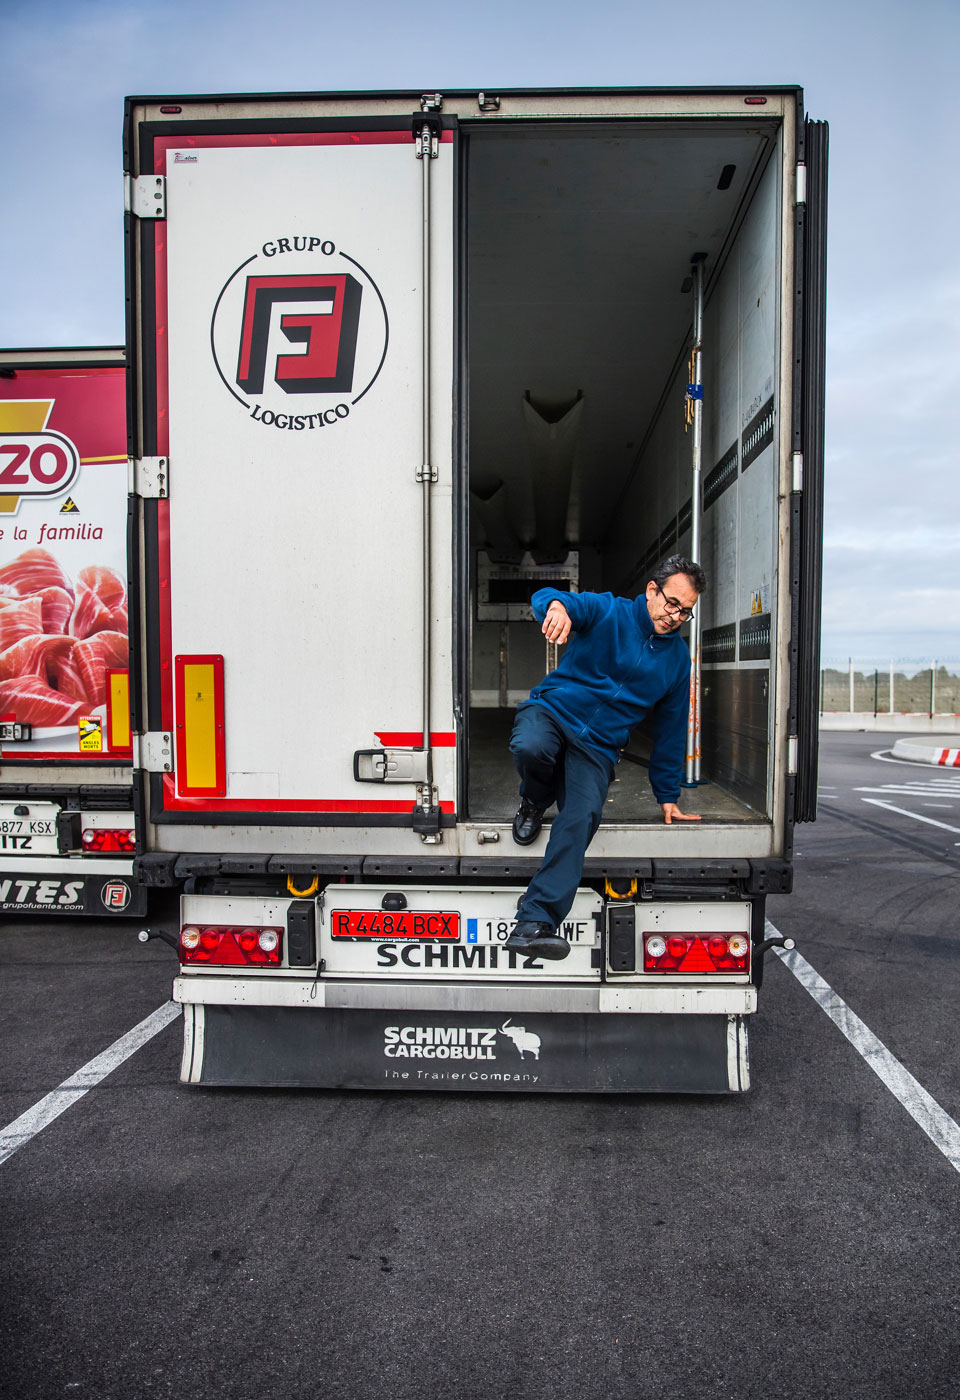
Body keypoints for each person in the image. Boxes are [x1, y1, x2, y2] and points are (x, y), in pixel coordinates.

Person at [504, 554, 706, 962]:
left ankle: (534, 922)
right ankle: (534, 800)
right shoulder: (610, 611)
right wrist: (556, 608)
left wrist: (668, 794)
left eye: (686, 612)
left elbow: (671, 727)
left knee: (581, 815)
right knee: (531, 746)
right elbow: (551, 597)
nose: (676, 616)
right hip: (553, 711)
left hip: (597, 744)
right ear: (652, 591)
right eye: (672, 603)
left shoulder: (676, 660)